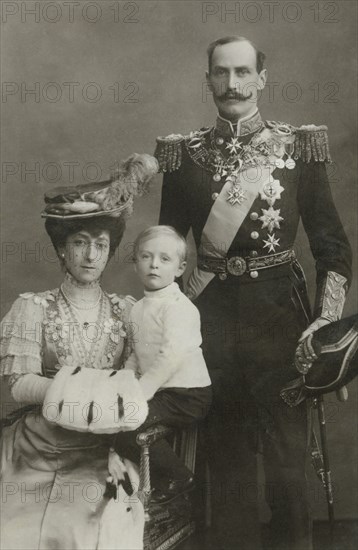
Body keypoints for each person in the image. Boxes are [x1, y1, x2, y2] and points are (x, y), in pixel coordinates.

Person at [155, 36, 352, 549]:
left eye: (243, 72)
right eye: (221, 73)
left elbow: (332, 248)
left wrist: (326, 323)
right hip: (212, 325)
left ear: (262, 78)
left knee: (288, 467)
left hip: (282, 324)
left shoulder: (297, 148)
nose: (232, 84)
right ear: (208, 81)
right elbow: (168, 253)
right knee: (227, 465)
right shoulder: (185, 157)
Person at [0, 153, 158, 550]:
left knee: (85, 526)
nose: (90, 256)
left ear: (110, 250)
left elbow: (137, 383)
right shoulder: (31, 307)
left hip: (98, 453)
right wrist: (78, 391)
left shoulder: (126, 310)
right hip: (33, 448)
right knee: (13, 525)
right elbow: (18, 384)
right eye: (80, 243)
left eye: (100, 245)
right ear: (61, 249)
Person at [110, 225, 212, 504]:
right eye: (146, 256)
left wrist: (140, 393)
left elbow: (170, 357)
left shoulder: (179, 308)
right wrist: (123, 382)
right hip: (163, 391)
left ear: (180, 268)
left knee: (128, 424)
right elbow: (136, 354)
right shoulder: (138, 308)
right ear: (135, 264)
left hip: (188, 394)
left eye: (165, 259)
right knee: (116, 421)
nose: (154, 264)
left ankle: (179, 476)